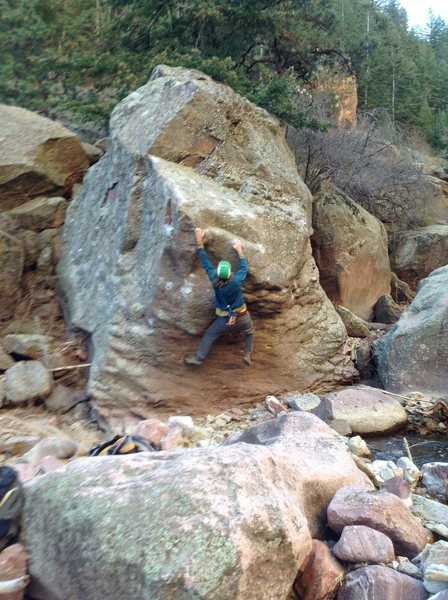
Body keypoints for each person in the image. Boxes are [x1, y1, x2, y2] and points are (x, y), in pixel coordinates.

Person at [184, 228, 255, 366]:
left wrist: (199, 241)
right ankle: (247, 354)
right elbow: (244, 268)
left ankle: (198, 358)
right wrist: (239, 250)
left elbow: (205, 261)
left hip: (226, 319)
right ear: (229, 273)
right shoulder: (236, 281)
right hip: (242, 317)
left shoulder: (214, 279)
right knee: (250, 332)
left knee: (210, 334)